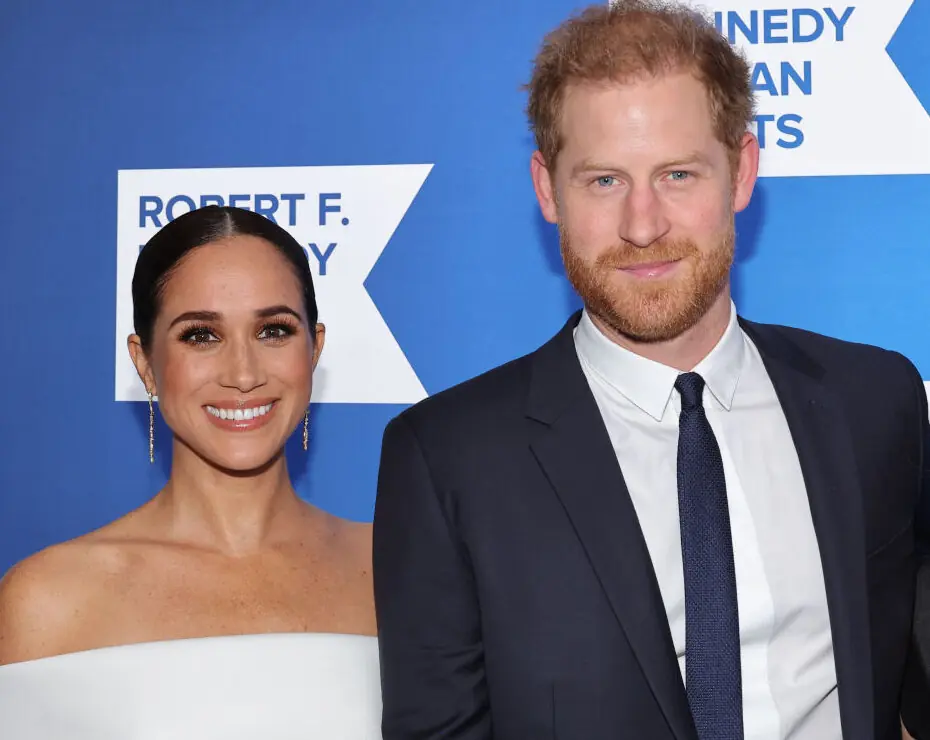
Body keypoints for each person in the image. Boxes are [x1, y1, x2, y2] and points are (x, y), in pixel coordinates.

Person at [372, 2, 930, 739]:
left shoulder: (877, 401)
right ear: (547, 189)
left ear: (742, 171)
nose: (643, 225)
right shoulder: (447, 458)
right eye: (604, 180)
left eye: (678, 174)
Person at [0, 206, 381, 739]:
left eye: (273, 330)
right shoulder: (48, 599)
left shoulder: (397, 567)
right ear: (145, 363)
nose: (243, 374)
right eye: (201, 335)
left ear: (314, 348)